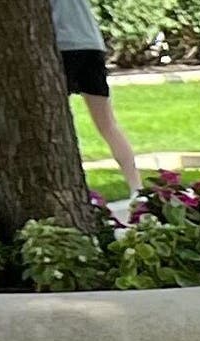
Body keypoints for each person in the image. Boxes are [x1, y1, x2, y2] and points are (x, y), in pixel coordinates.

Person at [49, 0, 145, 201]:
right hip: (91, 44)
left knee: (53, 123)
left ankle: (65, 186)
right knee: (108, 124)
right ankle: (137, 187)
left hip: (61, 47)